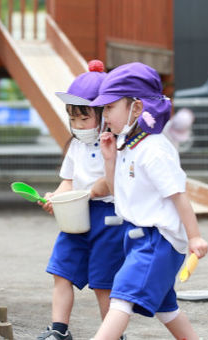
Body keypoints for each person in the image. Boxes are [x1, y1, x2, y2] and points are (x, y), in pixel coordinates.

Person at [89, 62, 208, 340]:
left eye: (109, 107)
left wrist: (195, 237)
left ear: (137, 108)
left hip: (158, 240)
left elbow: (178, 193)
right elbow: (118, 192)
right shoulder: (129, 144)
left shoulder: (154, 149)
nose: (104, 116)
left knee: (121, 296)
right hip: (138, 238)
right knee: (166, 308)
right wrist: (110, 160)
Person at [37, 60, 128, 340]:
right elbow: (69, 180)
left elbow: (108, 184)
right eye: (73, 118)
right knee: (61, 272)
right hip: (75, 215)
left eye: (83, 118)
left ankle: (111, 335)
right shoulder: (76, 145)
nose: (77, 125)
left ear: (104, 113)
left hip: (108, 218)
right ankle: (59, 330)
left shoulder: (117, 144)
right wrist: (56, 196)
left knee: (104, 283)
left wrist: (85, 194)